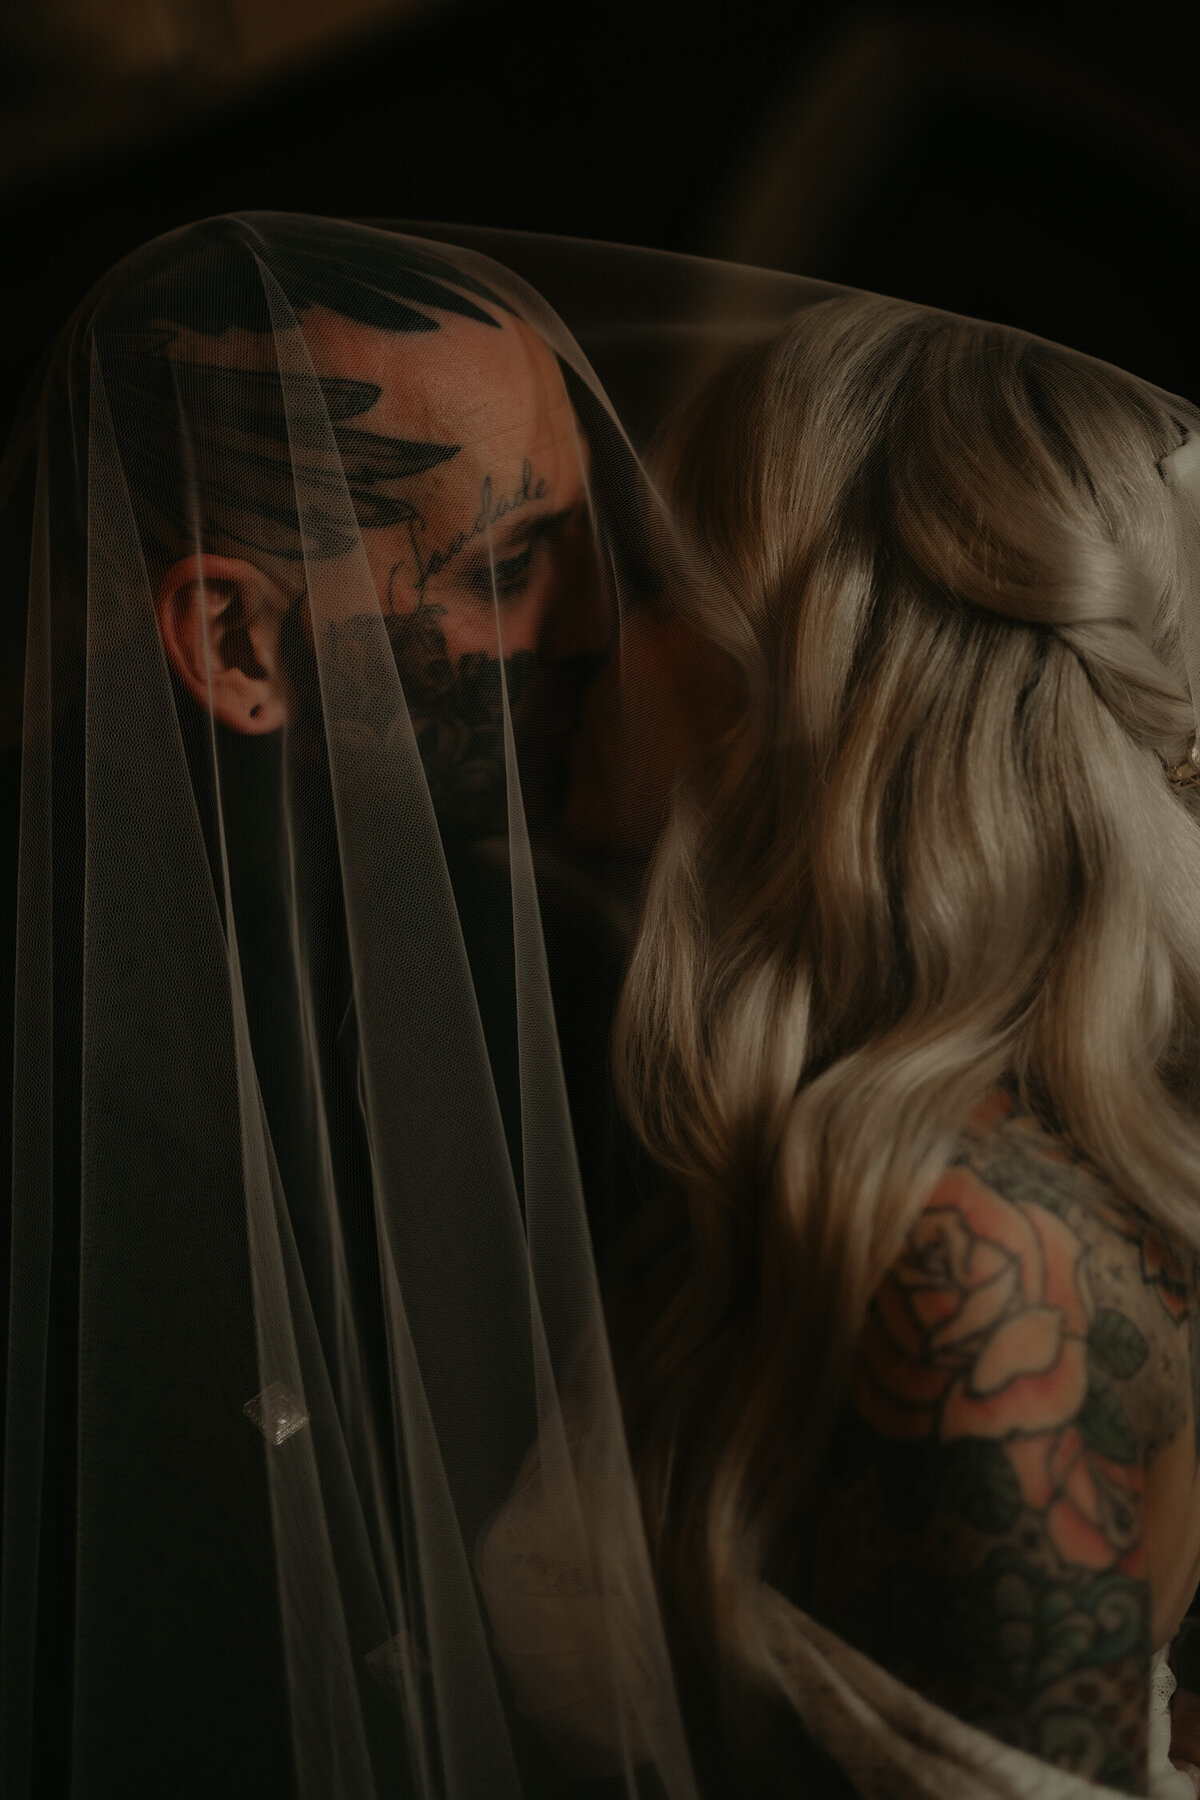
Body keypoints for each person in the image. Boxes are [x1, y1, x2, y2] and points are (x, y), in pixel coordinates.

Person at [3, 213, 1199, 1800]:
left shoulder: (835, 1153)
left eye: (629, 560)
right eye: (514, 565)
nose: (599, 633)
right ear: (237, 646)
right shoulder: (85, 1097)